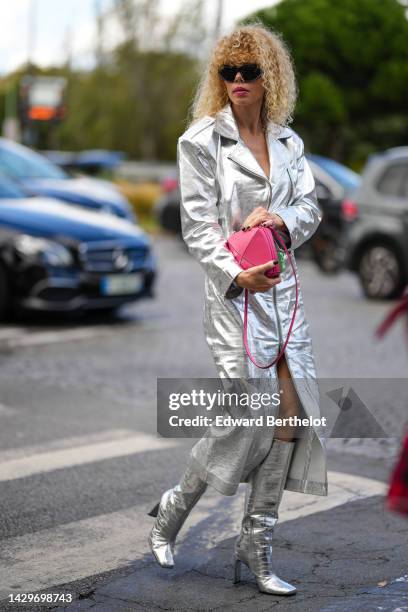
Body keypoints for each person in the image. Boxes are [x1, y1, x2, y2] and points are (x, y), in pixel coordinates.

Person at [148, 23, 328, 596]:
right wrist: (236, 273)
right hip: (234, 298)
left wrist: (282, 220)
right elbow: (197, 228)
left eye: (250, 71)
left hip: (285, 291)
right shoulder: (201, 141)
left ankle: (257, 548)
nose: (238, 81)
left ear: (269, 76)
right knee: (241, 419)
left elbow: (311, 210)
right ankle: (173, 509)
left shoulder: (289, 144)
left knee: (287, 414)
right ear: (218, 76)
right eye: (228, 71)